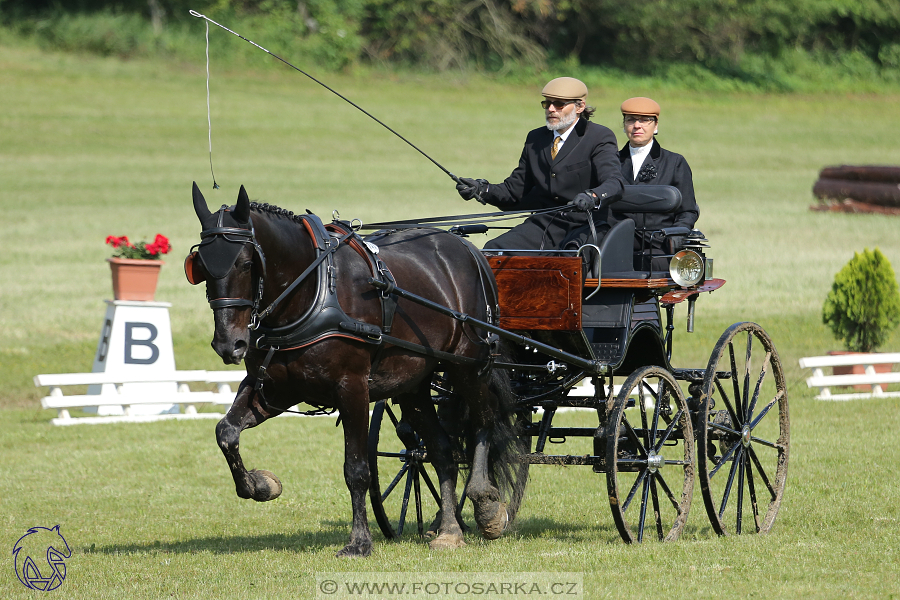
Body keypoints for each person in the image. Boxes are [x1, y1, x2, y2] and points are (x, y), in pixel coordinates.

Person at [455, 77, 624, 251]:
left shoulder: (599, 136)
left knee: (569, 261)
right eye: (547, 103)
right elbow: (514, 190)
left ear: (580, 106)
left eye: (559, 104)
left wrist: (592, 196)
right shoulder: (535, 139)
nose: (551, 109)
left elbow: (614, 184)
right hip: (546, 224)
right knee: (495, 250)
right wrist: (482, 189)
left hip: (587, 224)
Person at [561, 96, 700, 270]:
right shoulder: (609, 162)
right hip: (613, 241)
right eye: (631, 120)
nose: (637, 126)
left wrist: (674, 235)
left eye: (645, 120)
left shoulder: (675, 162)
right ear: (624, 124)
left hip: (656, 245)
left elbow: (687, 211)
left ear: (656, 125)